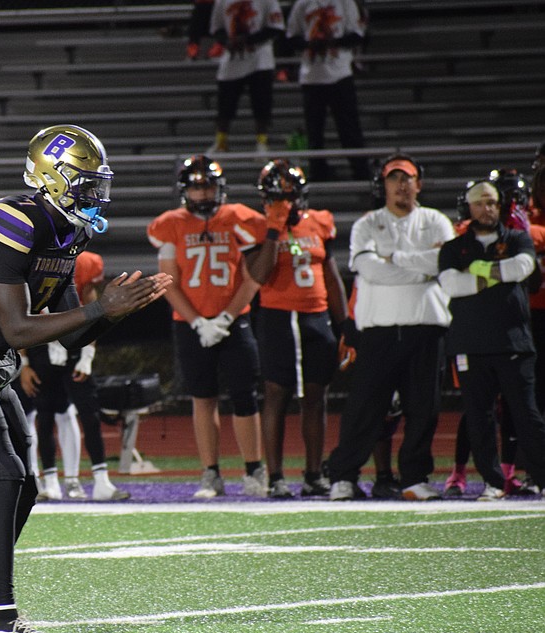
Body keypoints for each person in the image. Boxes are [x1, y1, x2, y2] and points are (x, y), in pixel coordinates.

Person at [0, 125, 169, 633]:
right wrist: (102, 307)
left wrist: (114, 315)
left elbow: (69, 329)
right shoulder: (16, 218)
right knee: (5, 477)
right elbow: (18, 327)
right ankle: (3, 620)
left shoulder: (69, 231)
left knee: (24, 486)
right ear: (53, 179)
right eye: (86, 183)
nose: (96, 195)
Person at [326, 155, 455, 501]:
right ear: (383, 184)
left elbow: (443, 262)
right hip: (379, 330)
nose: (401, 185)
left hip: (426, 327)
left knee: (422, 408)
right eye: (394, 178)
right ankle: (344, 476)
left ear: (419, 183)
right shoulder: (367, 224)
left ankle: (414, 478)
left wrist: (393, 258)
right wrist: (419, 264)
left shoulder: (436, 221)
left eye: (407, 178)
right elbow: (369, 271)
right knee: (364, 408)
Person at [148, 154, 269, 498]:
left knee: (245, 396)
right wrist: (199, 321)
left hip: (235, 318)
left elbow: (252, 277)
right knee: (203, 398)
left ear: (220, 188)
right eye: (196, 187)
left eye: (209, 186)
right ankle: (211, 473)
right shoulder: (170, 223)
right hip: (191, 323)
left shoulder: (239, 219)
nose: (203, 194)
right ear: (185, 191)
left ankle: (253, 471)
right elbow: (168, 281)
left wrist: (228, 317)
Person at [246, 159, 349, 498]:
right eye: (280, 197)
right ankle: (275, 477)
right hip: (278, 318)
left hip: (316, 318)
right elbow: (259, 275)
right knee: (276, 393)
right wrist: (273, 230)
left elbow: (332, 279)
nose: (287, 203)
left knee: (316, 396)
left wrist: (345, 323)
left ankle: (313, 473)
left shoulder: (319, 222)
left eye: (291, 196)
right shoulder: (255, 225)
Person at [437, 179, 545, 499]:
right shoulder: (454, 247)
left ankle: (541, 476)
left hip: (514, 342)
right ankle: (493, 481)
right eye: (481, 202)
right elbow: (451, 286)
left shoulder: (517, 238)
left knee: (527, 414)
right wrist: (498, 275)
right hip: (470, 344)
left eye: (493, 202)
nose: (489, 208)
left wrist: (480, 269)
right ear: (468, 207)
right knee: (479, 417)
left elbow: (523, 267)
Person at [22, 249, 130, 501]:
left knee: (89, 415)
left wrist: (87, 355)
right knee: (45, 415)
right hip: (40, 344)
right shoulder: (28, 259)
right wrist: (23, 362)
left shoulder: (84, 262)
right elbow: (20, 313)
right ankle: (50, 482)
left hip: (73, 343)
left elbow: (92, 306)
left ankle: (99, 481)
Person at [285, 0, 369, 181]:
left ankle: (360, 170)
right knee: (314, 130)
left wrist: (333, 42)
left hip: (340, 74)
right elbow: (292, 37)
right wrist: (310, 44)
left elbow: (356, 34)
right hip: (312, 76)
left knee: (349, 128)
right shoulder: (303, 4)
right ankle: (318, 171)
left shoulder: (345, 3)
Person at [208, 0, 285, 154]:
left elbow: (275, 27)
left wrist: (249, 40)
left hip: (260, 57)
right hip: (232, 58)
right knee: (225, 104)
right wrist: (227, 41)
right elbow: (217, 29)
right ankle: (221, 141)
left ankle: (262, 142)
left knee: (261, 103)